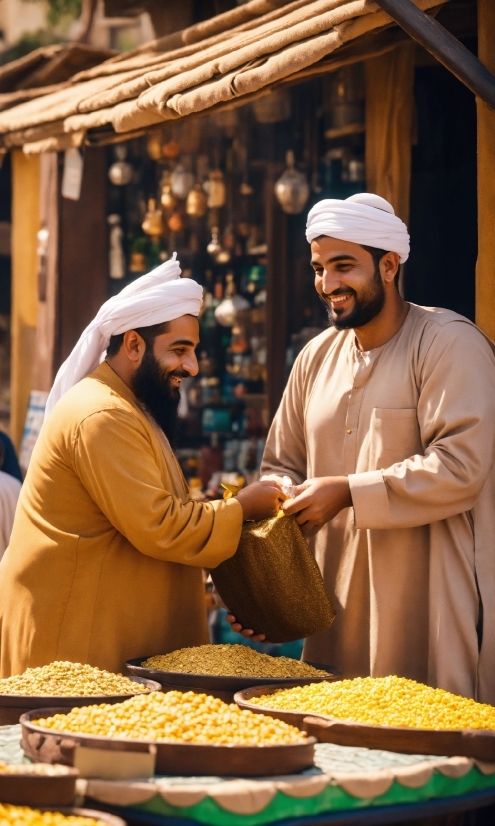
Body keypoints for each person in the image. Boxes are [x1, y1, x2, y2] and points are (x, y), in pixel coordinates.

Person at [230, 193, 495, 704]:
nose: (328, 284)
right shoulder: (315, 357)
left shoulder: (448, 343)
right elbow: (280, 467)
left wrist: (349, 492)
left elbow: (463, 467)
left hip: (430, 600)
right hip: (336, 608)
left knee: (432, 745)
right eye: (319, 268)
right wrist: (267, 584)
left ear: (390, 265)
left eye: (343, 266)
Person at [0, 255, 284, 677]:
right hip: (74, 654)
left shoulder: (129, 410)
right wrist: (243, 507)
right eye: (180, 350)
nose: (192, 366)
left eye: (193, 351)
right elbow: (161, 525)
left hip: (99, 642)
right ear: (133, 345)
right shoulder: (103, 415)